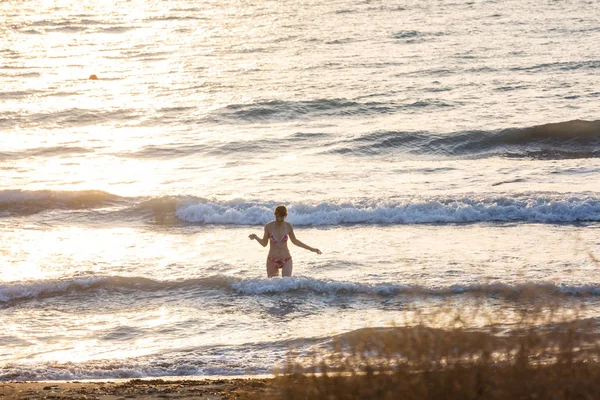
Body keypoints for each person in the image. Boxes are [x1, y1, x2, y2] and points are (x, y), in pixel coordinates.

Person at [248, 205, 321, 277]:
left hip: (286, 259)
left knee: (286, 282)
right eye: (277, 217)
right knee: (272, 285)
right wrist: (256, 237)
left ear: (285, 216)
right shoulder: (268, 226)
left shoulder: (288, 226)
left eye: (281, 217)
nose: (279, 219)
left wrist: (311, 249)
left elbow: (295, 241)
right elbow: (264, 244)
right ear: (275, 214)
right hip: (272, 259)